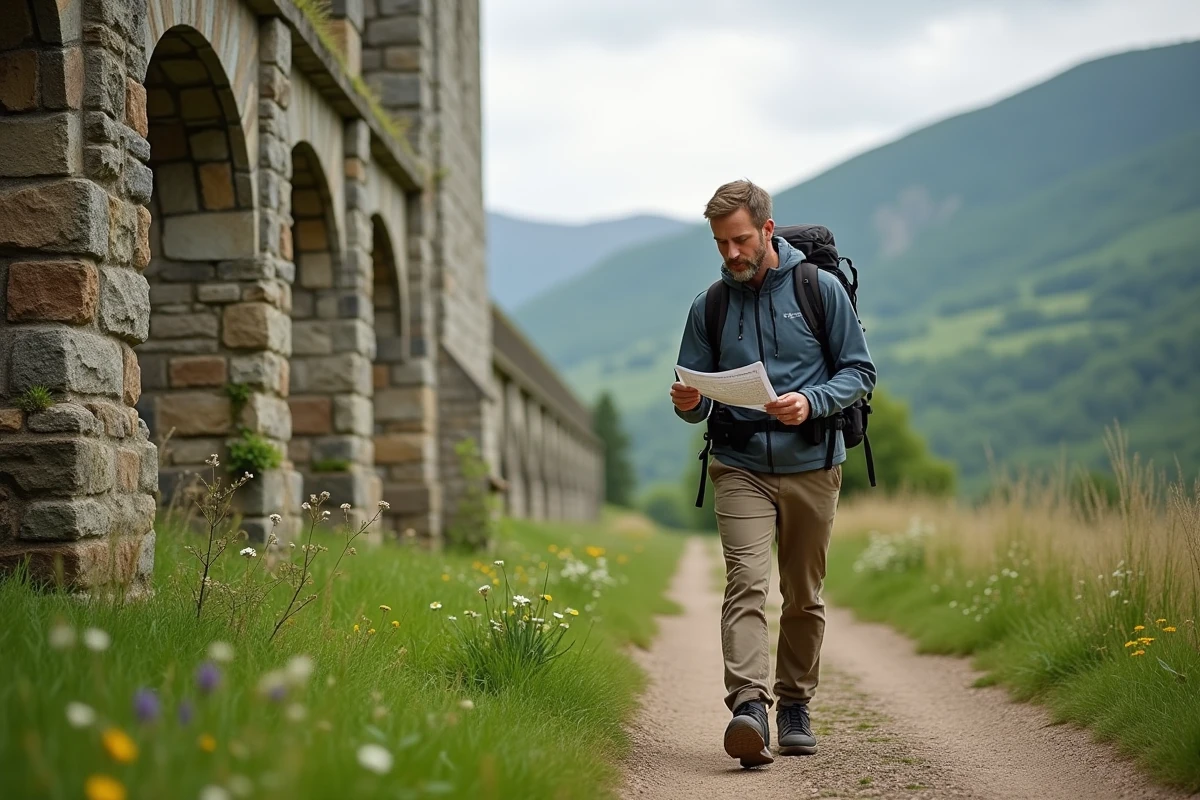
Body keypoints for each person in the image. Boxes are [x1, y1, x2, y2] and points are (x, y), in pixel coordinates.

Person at [670, 179, 877, 768]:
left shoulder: (819, 289)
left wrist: (811, 401)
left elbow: (860, 372)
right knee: (746, 584)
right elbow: (695, 393)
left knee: (803, 596)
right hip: (739, 467)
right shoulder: (710, 305)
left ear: (766, 229)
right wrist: (689, 404)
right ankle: (749, 709)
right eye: (720, 243)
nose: (731, 253)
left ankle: (794, 706)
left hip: (813, 463)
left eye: (739, 240)